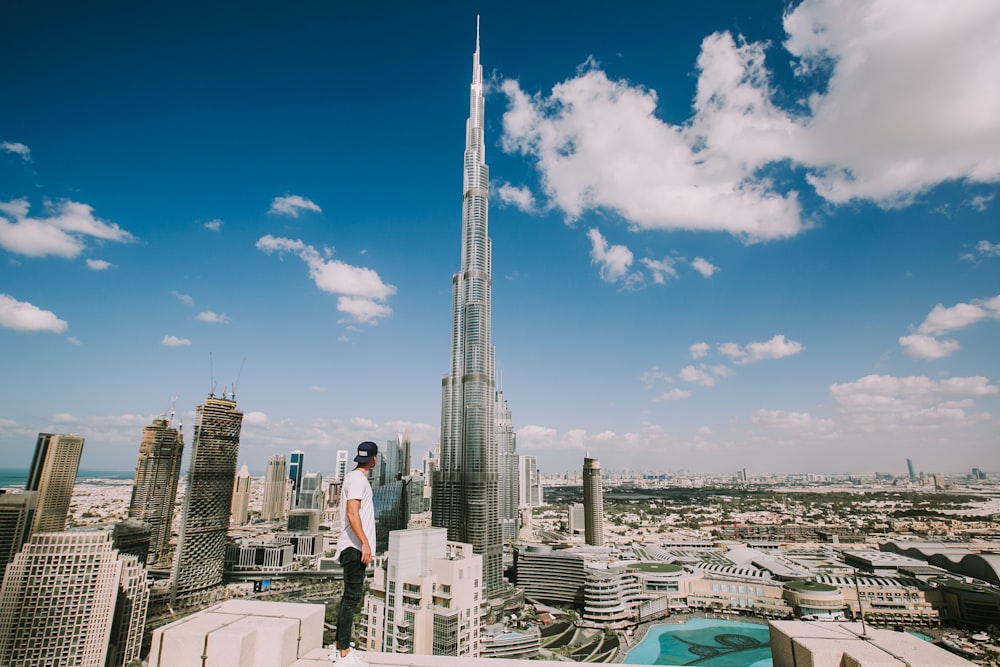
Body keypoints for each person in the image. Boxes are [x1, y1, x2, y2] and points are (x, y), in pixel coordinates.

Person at [331, 441, 378, 666]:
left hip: (351, 546)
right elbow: (352, 513)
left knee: (348, 598)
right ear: (374, 459)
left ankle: (341, 648)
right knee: (351, 598)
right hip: (354, 548)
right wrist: (365, 543)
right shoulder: (359, 480)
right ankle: (343, 655)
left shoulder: (352, 477)